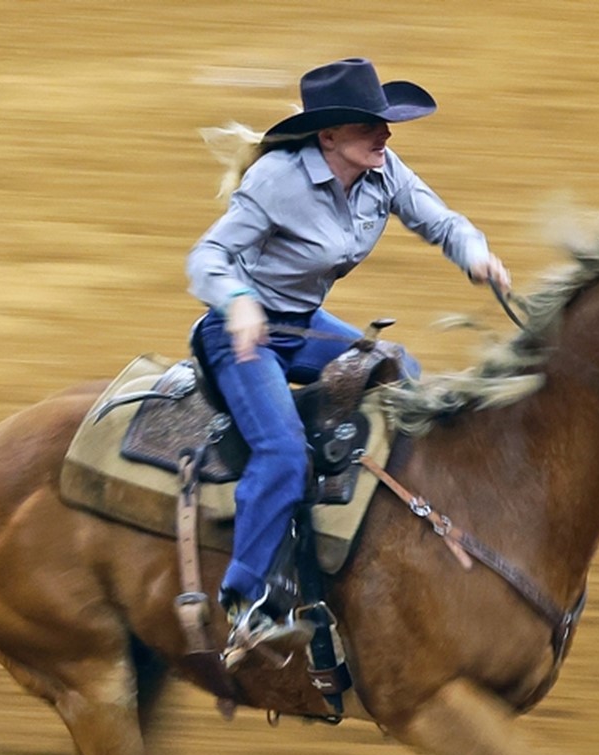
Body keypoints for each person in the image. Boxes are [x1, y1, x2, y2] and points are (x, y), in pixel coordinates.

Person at [186, 57, 511, 667]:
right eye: (370, 126)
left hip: (301, 325)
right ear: (329, 136)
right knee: (281, 451)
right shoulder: (278, 180)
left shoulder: (382, 173)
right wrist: (236, 304)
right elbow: (207, 257)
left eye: (385, 124)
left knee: (402, 373)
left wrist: (476, 255)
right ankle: (248, 600)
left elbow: (440, 220)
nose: (385, 135)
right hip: (243, 336)